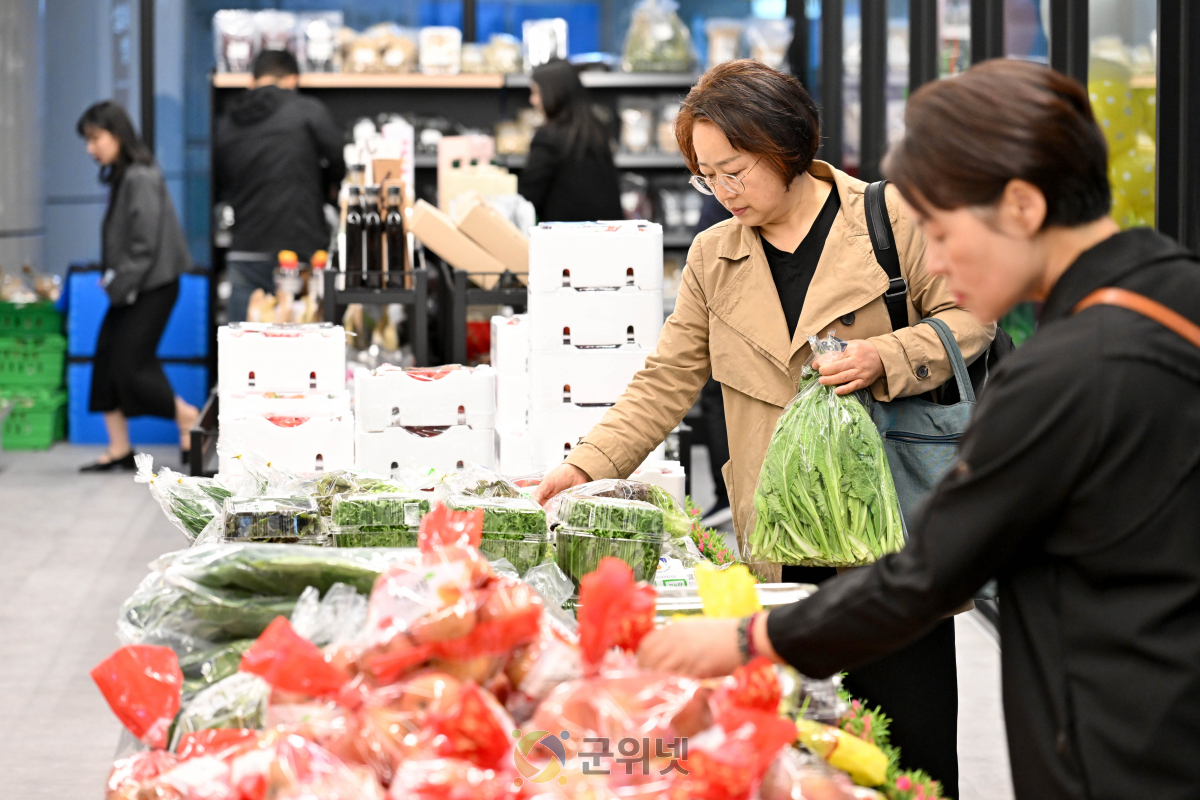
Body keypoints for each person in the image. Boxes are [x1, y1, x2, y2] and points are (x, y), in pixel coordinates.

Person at [637, 60, 1200, 798]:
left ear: (1023, 206)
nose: (930, 259)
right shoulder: (1172, 294)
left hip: (1127, 751)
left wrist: (746, 640)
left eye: (940, 230)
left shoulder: (1066, 375)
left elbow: (925, 573)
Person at [532, 60, 995, 794]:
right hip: (779, 541)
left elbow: (973, 316)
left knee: (912, 748)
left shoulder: (888, 217)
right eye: (706, 176)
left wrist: (888, 354)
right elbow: (666, 380)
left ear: (784, 146)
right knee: (791, 754)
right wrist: (582, 468)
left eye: (735, 170)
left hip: (888, 534)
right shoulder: (715, 258)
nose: (722, 192)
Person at [76, 102, 198, 472]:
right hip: (135, 285)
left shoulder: (140, 177)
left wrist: (115, 280)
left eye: (95, 138)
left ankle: (186, 416)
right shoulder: (125, 175)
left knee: (129, 367)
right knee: (105, 363)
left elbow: (144, 246)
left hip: (153, 287)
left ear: (118, 135)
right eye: (88, 140)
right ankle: (119, 449)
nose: (90, 148)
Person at [213, 49, 345, 322]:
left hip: (245, 247)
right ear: (292, 79)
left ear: (253, 80)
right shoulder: (307, 110)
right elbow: (337, 160)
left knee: (242, 348)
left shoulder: (226, 122)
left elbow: (219, 180)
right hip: (299, 247)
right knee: (301, 350)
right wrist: (326, 192)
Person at [517, 59, 623, 222]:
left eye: (536, 92)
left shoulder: (547, 138)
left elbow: (529, 196)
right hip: (607, 234)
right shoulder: (597, 129)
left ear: (554, 92)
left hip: (565, 238)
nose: (533, 100)